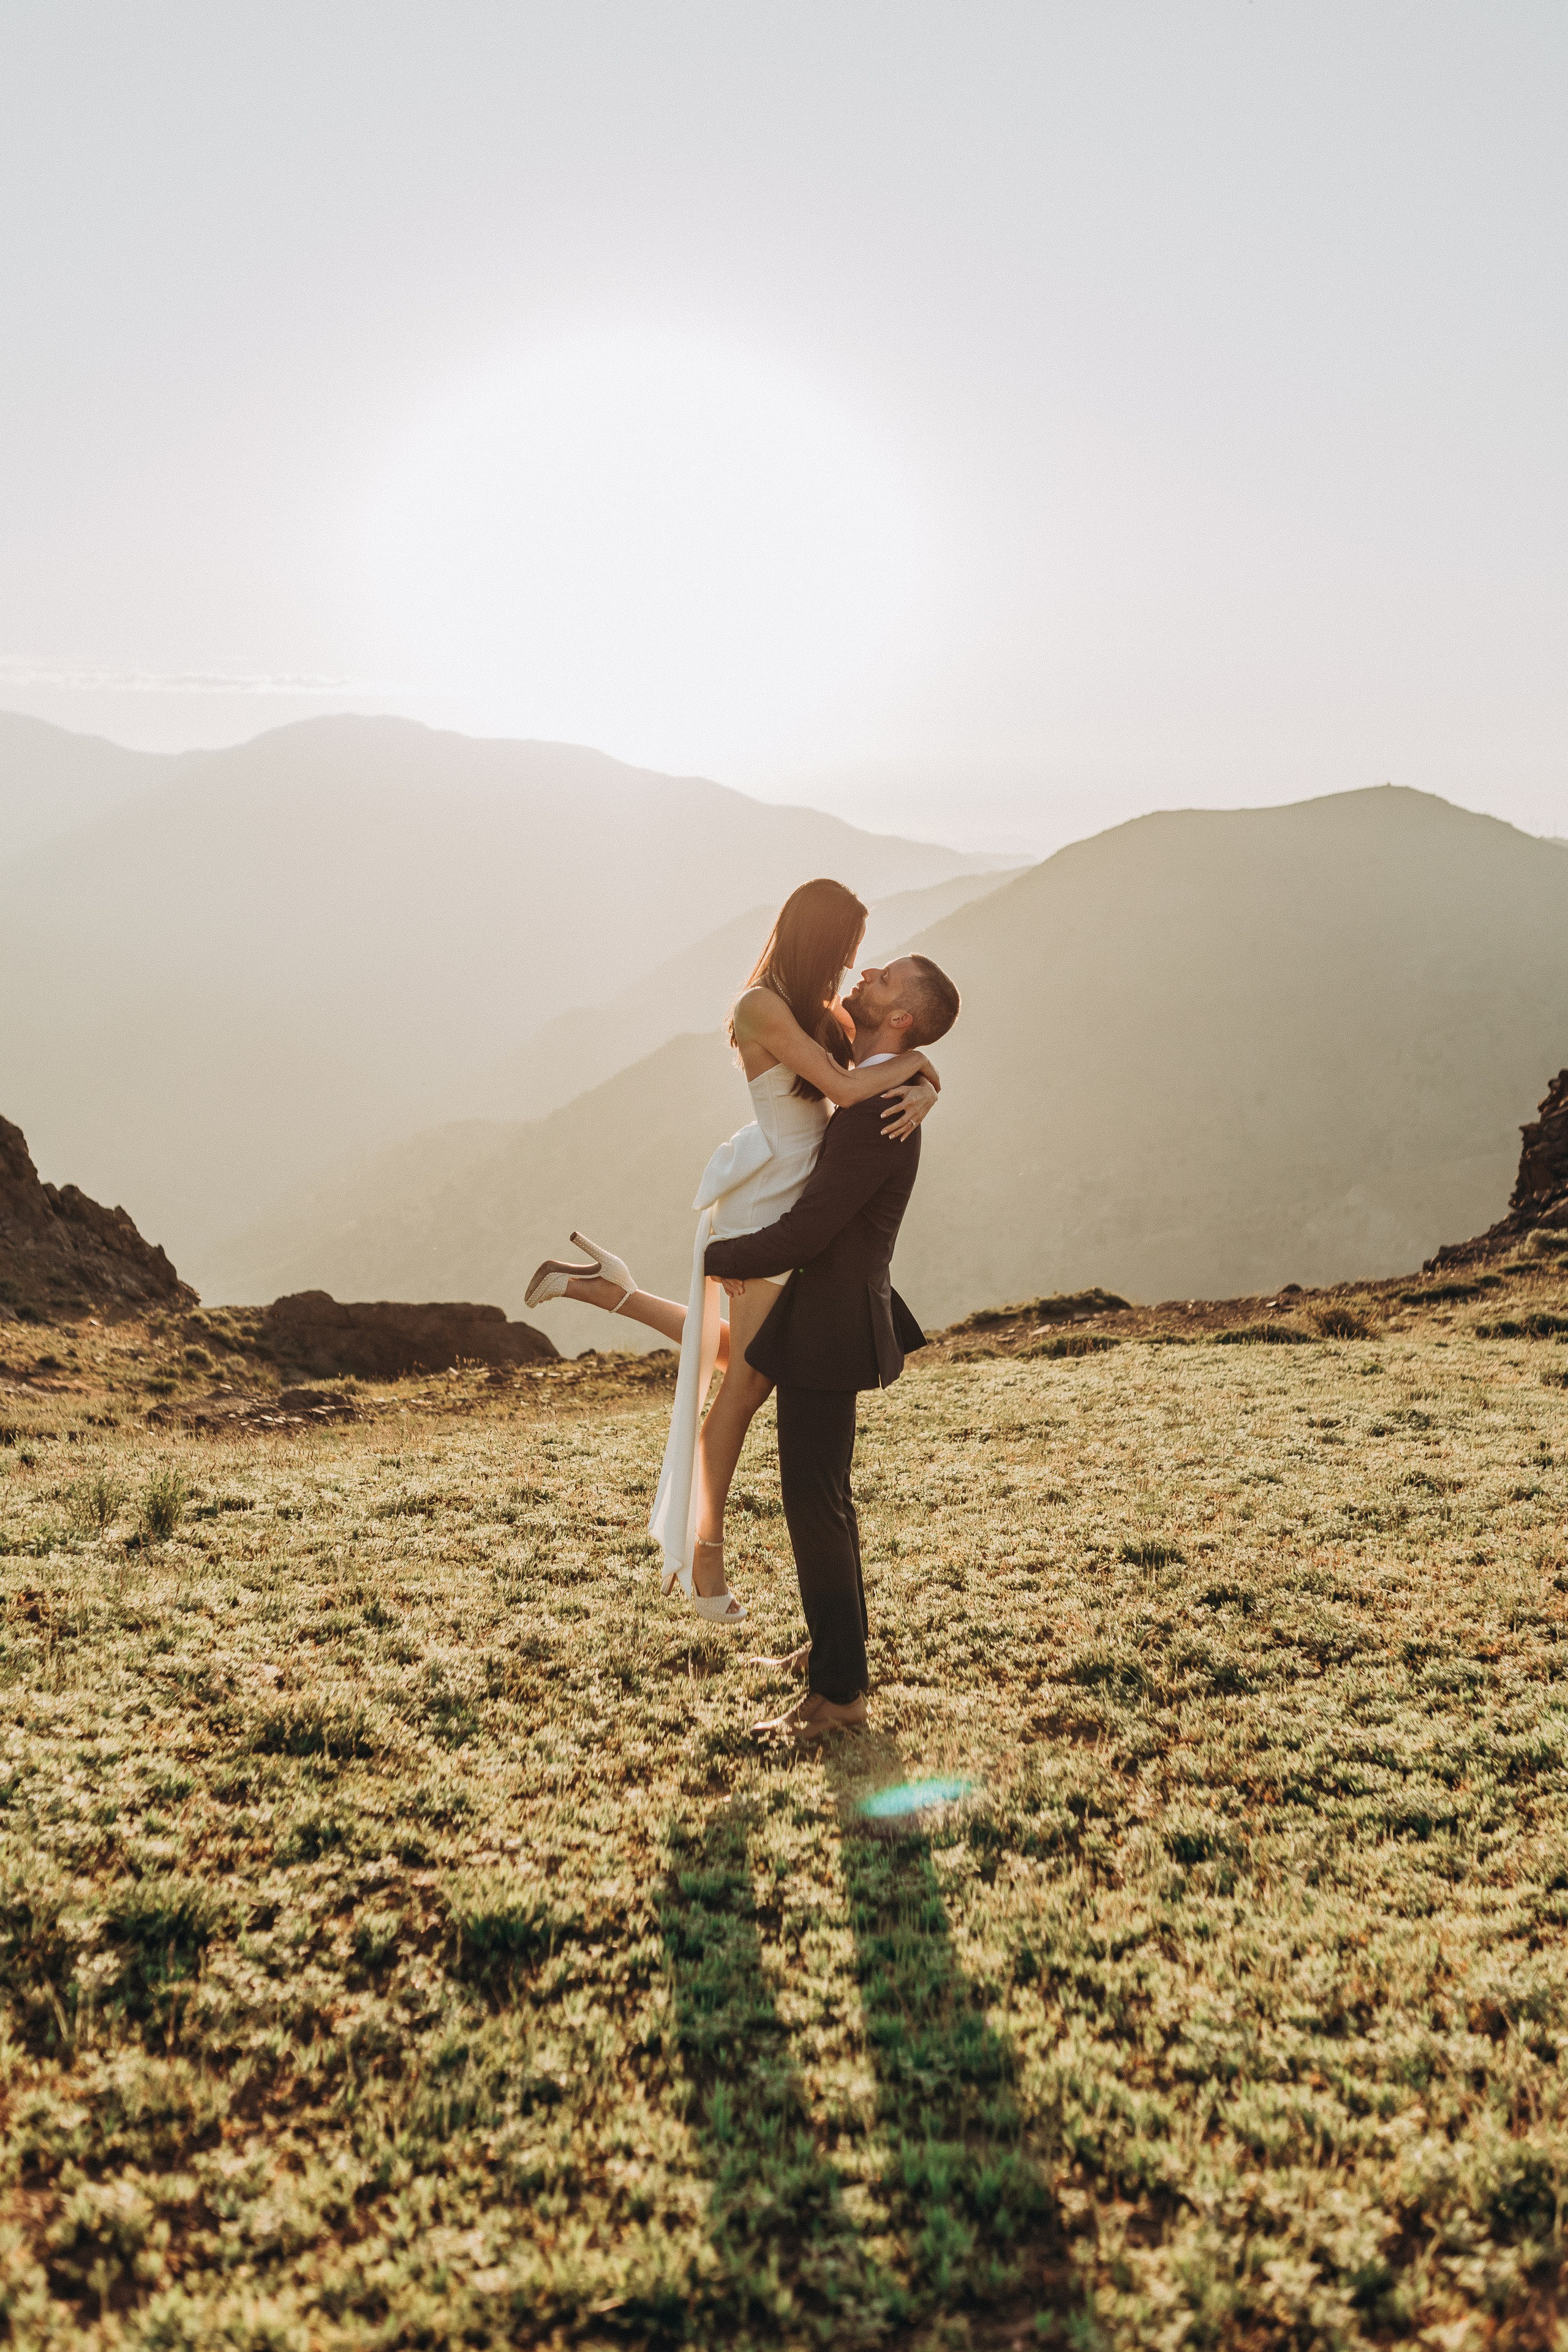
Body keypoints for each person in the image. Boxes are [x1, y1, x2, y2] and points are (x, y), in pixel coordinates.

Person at [523, 878, 942, 1620]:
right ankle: (703, 1561)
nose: (854, 965)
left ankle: (613, 1291)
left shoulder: (819, 1013)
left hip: (794, 1192)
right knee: (745, 1387)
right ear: (819, 937)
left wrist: (927, 1080)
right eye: (847, 948)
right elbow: (849, 1091)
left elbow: (894, 1050)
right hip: (766, 1201)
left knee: (748, 1360)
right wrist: (920, 1075)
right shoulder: (763, 1007)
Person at [704, 950, 961, 1741]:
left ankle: (839, 1699)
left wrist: (713, 1258)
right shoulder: (885, 1088)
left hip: (829, 1324)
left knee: (815, 1505)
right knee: (828, 1502)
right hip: (832, 1313)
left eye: (880, 981)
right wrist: (925, 1076)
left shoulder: (874, 1115)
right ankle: (833, 1653)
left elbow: (811, 1229)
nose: (862, 978)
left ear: (900, 1018)